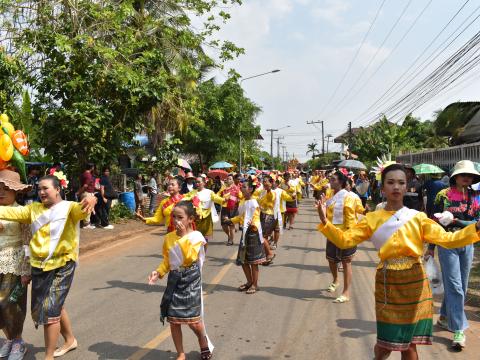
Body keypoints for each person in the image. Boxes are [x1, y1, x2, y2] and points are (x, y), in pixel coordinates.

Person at [317, 164, 480, 360]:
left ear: (406, 187)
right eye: (391, 182)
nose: (396, 187)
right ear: (383, 187)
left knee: (410, 346)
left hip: (416, 282)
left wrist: (476, 227)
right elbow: (345, 240)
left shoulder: (418, 218)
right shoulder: (371, 219)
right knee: (384, 346)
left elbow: (449, 239)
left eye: (401, 183)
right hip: (388, 283)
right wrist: (325, 224)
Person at [0, 174, 96, 360]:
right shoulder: (32, 209)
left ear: (58, 189)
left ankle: (48, 356)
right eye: (39, 189)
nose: (42, 192)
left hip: (62, 265)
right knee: (52, 306)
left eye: (46, 188)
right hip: (39, 266)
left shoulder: (69, 208)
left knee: (49, 310)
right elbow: (8, 213)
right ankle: (70, 340)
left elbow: (83, 209)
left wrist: (90, 197)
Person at [148, 201, 213, 360]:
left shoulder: (196, 237)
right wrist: (159, 272)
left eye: (180, 217)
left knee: (193, 321)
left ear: (190, 219)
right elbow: (167, 261)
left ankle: (203, 341)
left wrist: (183, 237)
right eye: (173, 217)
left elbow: (190, 256)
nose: (176, 221)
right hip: (175, 279)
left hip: (191, 279)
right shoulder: (169, 238)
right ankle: (181, 353)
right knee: (174, 320)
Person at [426, 160, 480, 350]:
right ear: (455, 176)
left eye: (470, 175)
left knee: (461, 285)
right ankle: (458, 330)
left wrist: (457, 220)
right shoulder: (443, 195)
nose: (467, 177)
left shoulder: (476, 195)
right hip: (446, 242)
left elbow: (477, 221)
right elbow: (433, 223)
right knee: (456, 286)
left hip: (468, 243)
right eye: (462, 174)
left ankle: (444, 316)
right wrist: (431, 247)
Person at [0, 170, 32, 360]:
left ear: (16, 192)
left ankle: (18, 341)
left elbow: (28, 242)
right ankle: (9, 340)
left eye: (6, 189)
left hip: (14, 263)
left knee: (10, 304)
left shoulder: (21, 211)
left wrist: (26, 269)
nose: (1, 193)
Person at [322, 171, 365, 303]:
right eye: (330, 179)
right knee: (331, 259)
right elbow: (324, 212)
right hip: (332, 231)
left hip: (347, 234)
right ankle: (336, 280)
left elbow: (361, 211)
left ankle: (346, 292)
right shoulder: (329, 195)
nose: (330, 181)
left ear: (340, 182)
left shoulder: (352, 197)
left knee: (346, 262)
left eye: (333, 179)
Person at [226, 180, 266, 294]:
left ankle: (255, 284)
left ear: (250, 189)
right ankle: (249, 282)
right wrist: (231, 220)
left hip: (252, 233)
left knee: (253, 262)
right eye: (241, 186)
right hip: (245, 233)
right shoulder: (245, 201)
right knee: (243, 260)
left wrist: (252, 225)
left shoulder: (253, 202)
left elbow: (256, 218)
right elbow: (241, 217)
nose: (241, 188)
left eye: (244, 187)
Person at [189, 177, 225, 245]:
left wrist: (224, 200)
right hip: (195, 217)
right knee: (195, 237)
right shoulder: (192, 193)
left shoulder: (209, 192)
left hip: (206, 216)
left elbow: (216, 198)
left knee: (205, 238)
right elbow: (185, 198)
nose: (197, 183)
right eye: (196, 182)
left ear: (204, 183)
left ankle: (203, 254)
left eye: (199, 182)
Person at [255, 176, 277, 266]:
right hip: (263, 215)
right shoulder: (262, 192)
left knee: (262, 237)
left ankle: (269, 254)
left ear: (271, 183)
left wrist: (268, 189)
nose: (264, 183)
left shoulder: (272, 192)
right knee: (264, 237)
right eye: (263, 181)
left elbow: (271, 198)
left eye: (267, 182)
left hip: (268, 216)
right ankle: (265, 256)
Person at [272, 178, 295, 250]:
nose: (272, 183)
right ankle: (270, 239)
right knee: (268, 230)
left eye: (273, 182)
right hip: (268, 212)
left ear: (277, 184)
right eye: (271, 182)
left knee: (276, 229)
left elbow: (289, 198)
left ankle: (275, 243)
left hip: (279, 212)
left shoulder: (281, 191)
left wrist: (293, 196)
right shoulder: (265, 191)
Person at [218, 175, 240, 246]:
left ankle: (231, 240)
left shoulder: (236, 188)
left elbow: (241, 197)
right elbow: (217, 195)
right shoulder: (223, 188)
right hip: (224, 208)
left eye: (230, 179)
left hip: (233, 208)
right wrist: (222, 198)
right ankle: (229, 236)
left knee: (231, 225)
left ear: (233, 180)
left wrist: (235, 199)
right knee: (224, 225)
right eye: (227, 179)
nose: (228, 180)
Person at [77, 163, 96, 229]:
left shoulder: (83, 174)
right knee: (88, 208)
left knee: (85, 208)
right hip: (87, 193)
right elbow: (85, 185)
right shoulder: (88, 175)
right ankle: (86, 224)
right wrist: (79, 192)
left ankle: (86, 223)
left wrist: (80, 192)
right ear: (92, 167)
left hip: (85, 193)